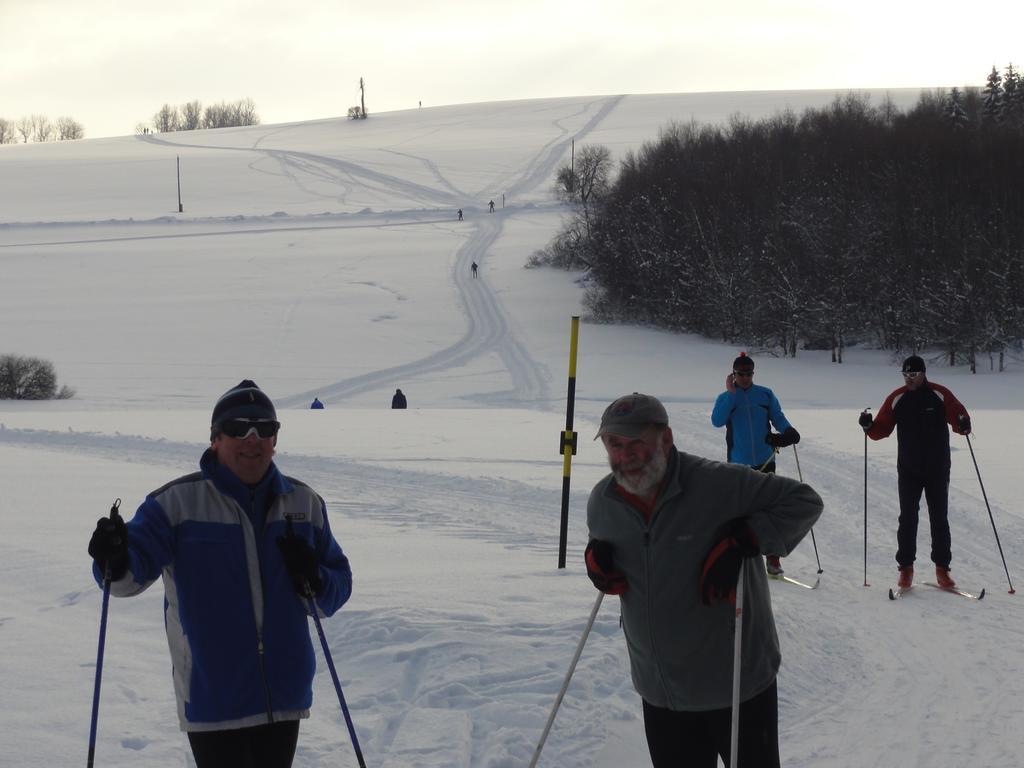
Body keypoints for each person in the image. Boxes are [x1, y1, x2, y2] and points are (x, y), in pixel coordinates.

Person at [87, 380, 353, 768]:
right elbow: (125, 578)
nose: (253, 438)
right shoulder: (176, 504)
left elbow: (337, 585)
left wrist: (317, 579)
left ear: (275, 439)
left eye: (265, 428)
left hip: (284, 696)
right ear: (215, 439)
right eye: (238, 428)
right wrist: (113, 556)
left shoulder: (303, 503)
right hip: (213, 696)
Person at [586, 393, 822, 768]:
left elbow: (804, 502)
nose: (625, 455)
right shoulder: (603, 503)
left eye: (637, 443)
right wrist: (596, 562)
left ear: (666, 438)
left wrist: (747, 538)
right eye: (615, 444)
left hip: (737, 686)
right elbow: (611, 554)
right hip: (662, 691)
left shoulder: (720, 485)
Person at [859, 355, 971, 590]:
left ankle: (942, 570)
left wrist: (963, 422)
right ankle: (906, 569)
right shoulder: (898, 397)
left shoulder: (940, 394)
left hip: (937, 467)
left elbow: (957, 415)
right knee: (907, 518)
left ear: (923, 374)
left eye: (914, 375)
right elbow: (882, 428)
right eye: (906, 375)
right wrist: (869, 426)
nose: (909, 379)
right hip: (909, 468)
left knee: (939, 518)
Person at [710, 353, 801, 575]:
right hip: (738, 462)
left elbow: (778, 417)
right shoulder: (726, 397)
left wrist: (788, 432)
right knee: (740, 511)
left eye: (749, 373)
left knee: (768, 509)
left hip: (766, 458)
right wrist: (732, 395)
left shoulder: (765, 394)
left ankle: (773, 558)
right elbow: (717, 420)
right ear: (733, 374)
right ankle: (738, 555)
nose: (745, 378)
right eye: (741, 374)